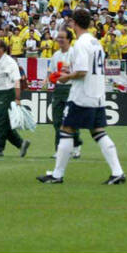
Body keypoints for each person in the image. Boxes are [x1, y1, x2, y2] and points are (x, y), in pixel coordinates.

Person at [38, 8, 125, 184]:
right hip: (98, 94)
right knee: (98, 131)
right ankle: (118, 172)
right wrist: (71, 71)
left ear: (73, 23)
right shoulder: (96, 43)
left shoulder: (80, 44)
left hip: (83, 94)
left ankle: (57, 174)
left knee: (66, 129)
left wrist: (66, 76)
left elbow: (83, 71)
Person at [47, 28, 82, 159]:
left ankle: (76, 145)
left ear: (69, 39)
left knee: (71, 119)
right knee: (56, 121)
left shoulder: (74, 53)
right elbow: (52, 73)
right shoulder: (55, 55)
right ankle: (59, 149)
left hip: (71, 88)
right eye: (58, 37)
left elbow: (79, 71)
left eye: (62, 37)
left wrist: (66, 74)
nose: (60, 40)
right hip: (58, 89)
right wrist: (52, 78)